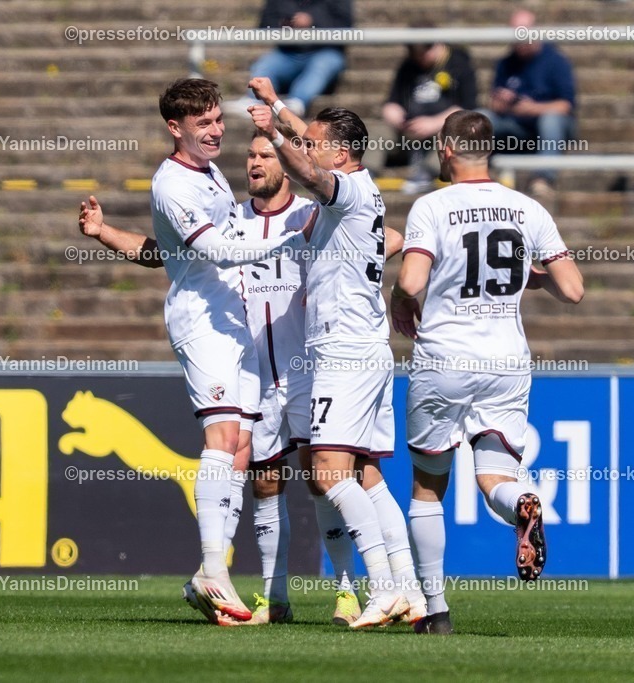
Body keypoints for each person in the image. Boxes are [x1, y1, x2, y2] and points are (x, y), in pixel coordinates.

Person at [76, 78, 311, 624]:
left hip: (235, 320)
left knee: (243, 449)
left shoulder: (207, 175)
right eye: (202, 123)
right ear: (174, 128)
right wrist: (295, 235)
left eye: (217, 120)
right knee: (223, 436)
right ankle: (213, 567)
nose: (215, 131)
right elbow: (218, 251)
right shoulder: (171, 185)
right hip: (203, 321)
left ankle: (211, 577)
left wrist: (105, 232)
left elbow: (164, 252)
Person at [391, 110, 584, 635]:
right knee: (496, 477)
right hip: (506, 359)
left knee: (429, 486)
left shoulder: (431, 206)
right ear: (490, 151)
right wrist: (530, 276)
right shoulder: (527, 208)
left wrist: (398, 298)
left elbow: (411, 281)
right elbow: (572, 288)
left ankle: (434, 610)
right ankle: (525, 501)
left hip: (446, 357)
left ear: (447, 150)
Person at [247, 76, 426, 629]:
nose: (305, 146)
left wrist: (275, 137)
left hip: (343, 351)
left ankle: (382, 590)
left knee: (327, 474)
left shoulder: (343, 191)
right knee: (366, 475)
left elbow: (306, 167)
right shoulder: (362, 188)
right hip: (366, 347)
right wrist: (280, 107)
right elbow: (314, 147)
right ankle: (412, 590)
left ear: (341, 154)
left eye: (315, 143)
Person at [217, 132, 405, 626]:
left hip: (311, 364)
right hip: (256, 371)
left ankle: (347, 590)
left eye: (265, 154)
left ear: (285, 162)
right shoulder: (232, 221)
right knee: (265, 482)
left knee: (324, 478)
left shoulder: (312, 211)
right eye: (251, 154)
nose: (255, 162)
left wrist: (354, 268)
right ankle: (274, 598)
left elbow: (393, 238)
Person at [478, 9, 576, 198]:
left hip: (549, 125)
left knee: (551, 120)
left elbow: (566, 105)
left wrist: (534, 109)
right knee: (481, 118)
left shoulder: (556, 61)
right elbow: (493, 103)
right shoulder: (505, 63)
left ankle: (543, 178)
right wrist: (503, 103)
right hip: (514, 123)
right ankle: (477, 174)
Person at [374, 37, 477, 194]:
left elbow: (468, 108)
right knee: (377, 130)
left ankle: (427, 173)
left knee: (458, 133)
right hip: (408, 131)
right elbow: (391, 103)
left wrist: (434, 123)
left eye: (423, 53)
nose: (419, 59)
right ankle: (368, 173)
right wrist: (396, 115)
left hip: (443, 130)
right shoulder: (408, 66)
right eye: (415, 54)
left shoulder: (459, 64)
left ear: (436, 45)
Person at [225, 0, 353, 117]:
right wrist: (285, 23)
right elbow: (265, 23)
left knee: (322, 66)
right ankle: (254, 102)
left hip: (324, 51)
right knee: (265, 64)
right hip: (287, 52)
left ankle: (296, 102)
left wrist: (313, 21)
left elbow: (345, 25)